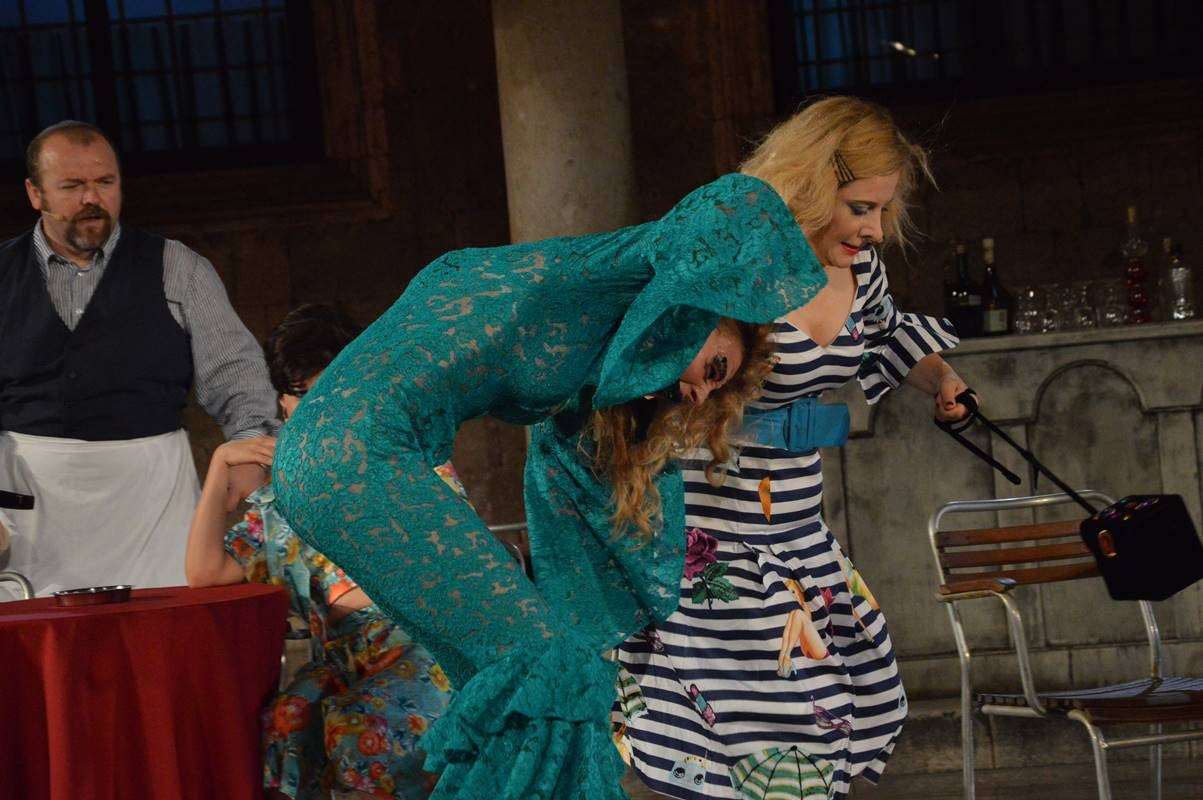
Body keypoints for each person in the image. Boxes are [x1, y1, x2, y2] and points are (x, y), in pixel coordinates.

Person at [271, 173, 828, 799]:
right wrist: (824, 206)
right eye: (714, 368)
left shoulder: (575, 324)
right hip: (357, 455)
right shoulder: (602, 276)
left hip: (320, 464)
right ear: (691, 302)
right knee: (547, 670)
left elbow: (571, 467)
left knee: (508, 690)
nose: (698, 393)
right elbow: (725, 215)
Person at [614, 96, 971, 800]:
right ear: (810, 185)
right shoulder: (735, 267)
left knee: (828, 704)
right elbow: (658, 360)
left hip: (797, 524)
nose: (873, 229)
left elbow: (886, 334)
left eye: (881, 211)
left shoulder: (860, 273)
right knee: (755, 718)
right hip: (714, 527)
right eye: (859, 208)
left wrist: (943, 380)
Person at [185, 304, 457, 800]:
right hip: (345, 660)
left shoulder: (412, 458)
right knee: (284, 721)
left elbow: (447, 564)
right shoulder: (283, 491)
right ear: (283, 403)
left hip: (426, 649)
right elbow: (205, 573)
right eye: (301, 396)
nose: (316, 411)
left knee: (356, 730)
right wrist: (220, 463)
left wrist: (349, 598)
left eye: (328, 393)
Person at [0, 120, 277, 598]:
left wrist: (251, 450)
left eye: (105, 182)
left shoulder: (178, 267)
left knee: (161, 633)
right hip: (30, 506)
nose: (92, 198)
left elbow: (237, 373)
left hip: (154, 500)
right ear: (35, 193)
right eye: (72, 186)